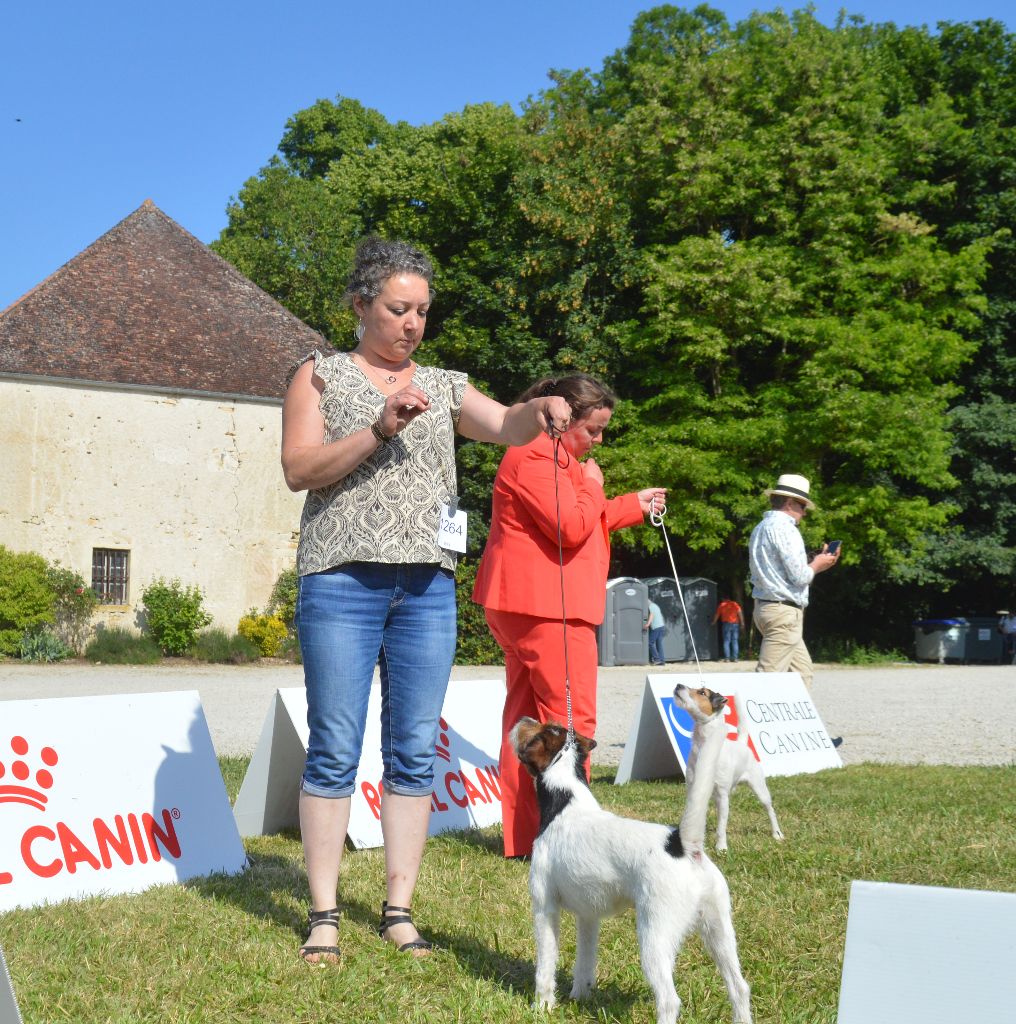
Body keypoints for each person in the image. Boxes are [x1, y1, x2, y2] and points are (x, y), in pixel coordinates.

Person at [281, 237, 572, 963]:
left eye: (422, 311)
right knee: (333, 749)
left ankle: (399, 911)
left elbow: (506, 426)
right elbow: (299, 469)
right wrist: (379, 428)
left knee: (413, 752)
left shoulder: (444, 385)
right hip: (341, 580)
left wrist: (542, 407)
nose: (412, 323)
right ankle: (324, 916)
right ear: (360, 305)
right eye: (397, 308)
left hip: (427, 589)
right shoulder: (319, 375)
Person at [471, 373, 667, 858]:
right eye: (593, 429)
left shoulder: (553, 457)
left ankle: (526, 840)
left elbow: (583, 514)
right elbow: (571, 526)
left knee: (526, 724)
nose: (598, 440)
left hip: (531, 605)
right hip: (548, 608)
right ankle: (571, 841)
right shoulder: (537, 454)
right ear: (563, 418)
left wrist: (632, 505)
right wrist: (597, 486)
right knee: (571, 724)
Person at [747, 473, 839, 688]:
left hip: (766, 607)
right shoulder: (787, 529)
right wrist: (818, 564)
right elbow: (800, 576)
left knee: (801, 674)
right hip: (783, 612)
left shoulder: (761, 527)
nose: (804, 512)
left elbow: (780, 571)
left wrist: (816, 562)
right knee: (768, 680)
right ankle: (750, 712)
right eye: (803, 506)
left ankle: (791, 712)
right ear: (789, 503)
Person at [712, 596, 745, 662]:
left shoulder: (722, 605)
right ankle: (735, 658)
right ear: (729, 598)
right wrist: (742, 623)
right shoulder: (735, 604)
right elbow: (740, 613)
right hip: (735, 624)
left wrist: (713, 622)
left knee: (726, 641)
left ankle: (727, 658)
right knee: (735, 641)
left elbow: (717, 615)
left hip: (726, 624)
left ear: (723, 598)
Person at [644, 599, 667, 665]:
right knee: (659, 644)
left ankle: (657, 659)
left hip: (656, 627)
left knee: (650, 642)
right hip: (661, 626)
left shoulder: (651, 606)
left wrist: (647, 624)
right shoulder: (655, 606)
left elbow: (652, 615)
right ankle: (662, 661)